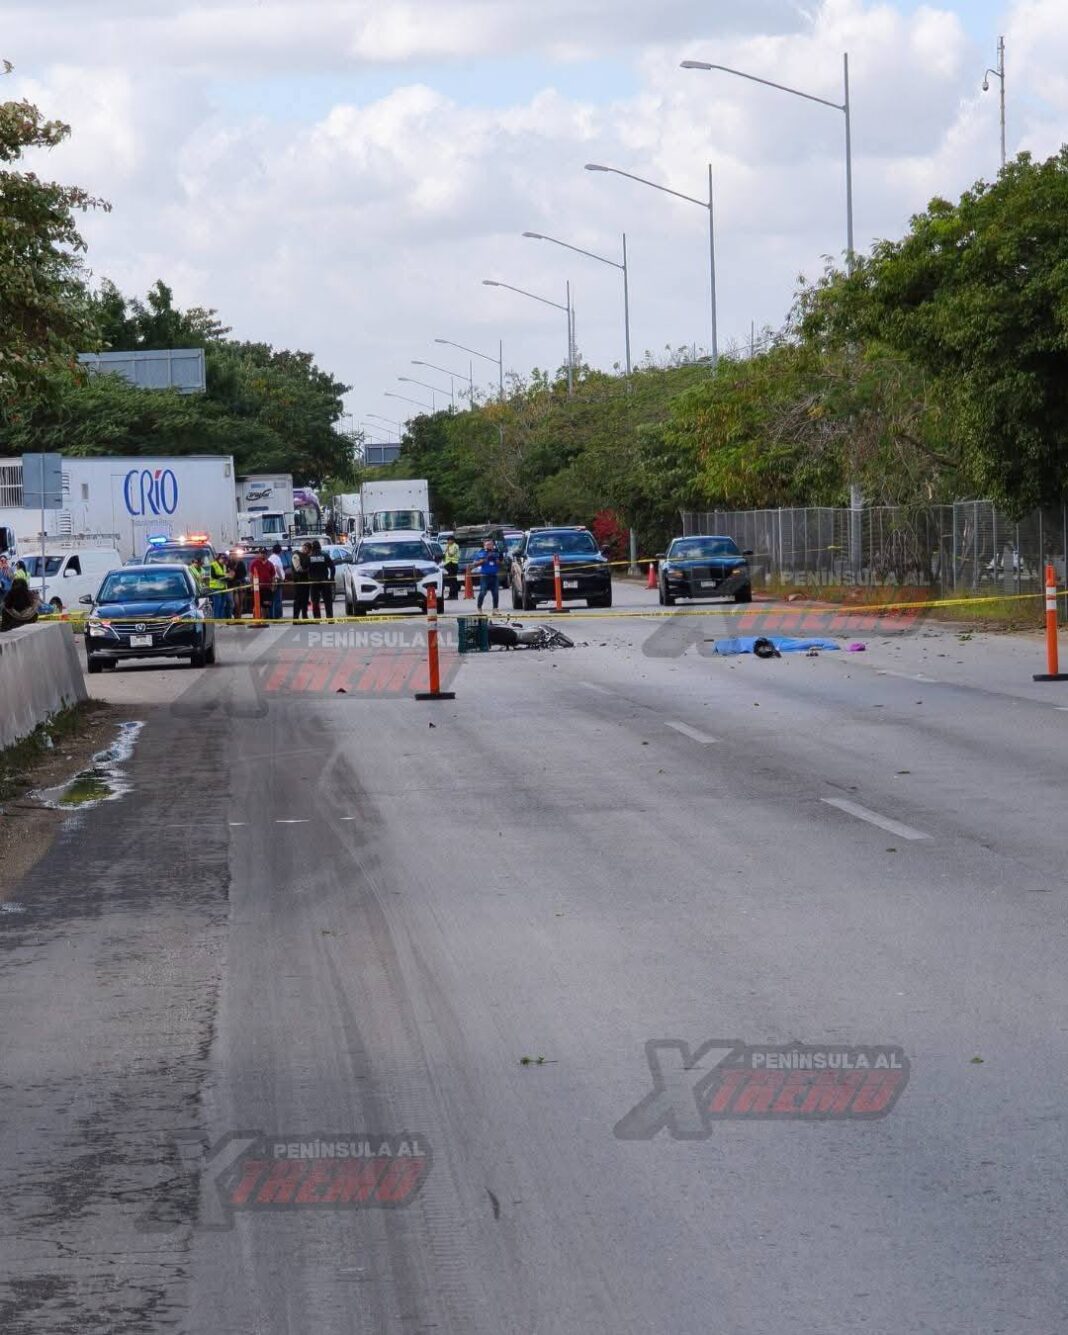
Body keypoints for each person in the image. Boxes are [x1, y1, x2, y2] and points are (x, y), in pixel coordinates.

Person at [306, 540, 336, 620]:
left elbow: (305, 568)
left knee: (315, 601)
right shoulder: (325, 556)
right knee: (328, 601)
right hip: (324, 580)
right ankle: (329, 617)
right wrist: (331, 578)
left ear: (312, 548)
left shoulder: (309, 557)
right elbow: (332, 567)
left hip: (313, 581)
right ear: (320, 547)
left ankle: (317, 618)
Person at [474, 538, 504, 613]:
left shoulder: (496, 553)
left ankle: (495, 609)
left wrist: (496, 559)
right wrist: (485, 559)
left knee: (495, 593)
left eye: (490, 544)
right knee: (483, 592)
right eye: (487, 545)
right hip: (485, 576)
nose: (489, 546)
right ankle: (479, 608)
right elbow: (475, 563)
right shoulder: (481, 553)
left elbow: (502, 564)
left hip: (494, 576)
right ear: (484, 545)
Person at [249, 549, 276, 619]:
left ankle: (265, 617)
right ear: (259, 554)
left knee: (266, 604)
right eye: (261, 553)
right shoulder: (254, 563)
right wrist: (252, 585)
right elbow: (251, 575)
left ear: (266, 554)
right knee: (258, 604)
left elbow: (273, 576)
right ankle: (259, 618)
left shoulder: (270, 564)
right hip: (257, 588)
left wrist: (273, 586)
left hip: (267, 587)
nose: (263, 555)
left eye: (264, 553)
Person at [291, 542, 312, 621]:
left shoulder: (306, 556)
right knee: (298, 600)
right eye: (308, 551)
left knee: (305, 600)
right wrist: (308, 570)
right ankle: (295, 618)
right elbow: (298, 569)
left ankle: (305, 617)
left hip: (305, 581)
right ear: (305, 548)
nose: (308, 552)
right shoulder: (296, 555)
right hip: (298, 581)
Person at [268, 544, 286, 620]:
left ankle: (271, 615)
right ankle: (277, 615)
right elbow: (277, 568)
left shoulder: (270, 558)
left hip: (271, 580)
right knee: (277, 599)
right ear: (280, 551)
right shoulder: (277, 558)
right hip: (277, 580)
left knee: (272, 599)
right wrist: (282, 578)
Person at [229, 552, 248, 619]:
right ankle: (236, 616)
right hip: (233, 585)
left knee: (241, 603)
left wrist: (241, 581)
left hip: (241, 584)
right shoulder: (230, 564)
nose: (234, 556)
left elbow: (244, 573)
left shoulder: (241, 563)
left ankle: (239, 617)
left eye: (235, 555)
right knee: (236, 603)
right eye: (232, 555)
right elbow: (230, 575)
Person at [443, 536, 460, 601]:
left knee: (453, 581)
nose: (448, 542)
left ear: (452, 540)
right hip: (449, 564)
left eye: (449, 540)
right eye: (447, 540)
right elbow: (445, 554)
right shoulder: (449, 546)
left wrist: (447, 548)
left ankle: (454, 595)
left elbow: (451, 555)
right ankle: (452, 595)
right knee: (451, 581)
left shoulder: (455, 546)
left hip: (453, 564)